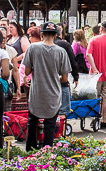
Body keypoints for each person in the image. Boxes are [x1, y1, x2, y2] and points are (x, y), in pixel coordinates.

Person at [23, 22, 71, 151]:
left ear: (42, 34)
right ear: (56, 35)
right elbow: (65, 78)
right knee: (50, 124)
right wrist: (55, 77)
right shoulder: (61, 52)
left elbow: (27, 71)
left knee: (32, 122)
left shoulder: (33, 48)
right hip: (53, 93)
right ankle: (47, 151)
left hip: (37, 92)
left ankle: (30, 150)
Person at [53, 26, 79, 120]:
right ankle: (62, 128)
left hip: (47, 81)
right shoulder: (65, 45)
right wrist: (75, 77)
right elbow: (73, 61)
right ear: (60, 34)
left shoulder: (39, 46)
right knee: (63, 108)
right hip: (62, 80)